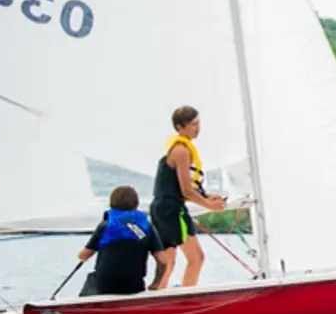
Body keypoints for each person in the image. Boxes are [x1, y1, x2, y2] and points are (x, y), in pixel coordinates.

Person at [150, 105, 227, 290]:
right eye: (193, 124)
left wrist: (206, 195)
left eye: (198, 123)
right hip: (172, 209)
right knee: (196, 258)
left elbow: (180, 185)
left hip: (161, 208)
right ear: (180, 127)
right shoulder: (181, 151)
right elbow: (185, 191)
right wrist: (210, 206)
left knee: (168, 262)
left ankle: (156, 298)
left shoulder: (177, 149)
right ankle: (187, 296)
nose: (197, 128)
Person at [78, 185, 158, 296]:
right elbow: (163, 260)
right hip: (134, 286)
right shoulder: (147, 227)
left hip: (105, 285)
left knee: (93, 278)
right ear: (136, 204)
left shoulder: (106, 225)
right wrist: (156, 283)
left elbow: (83, 256)